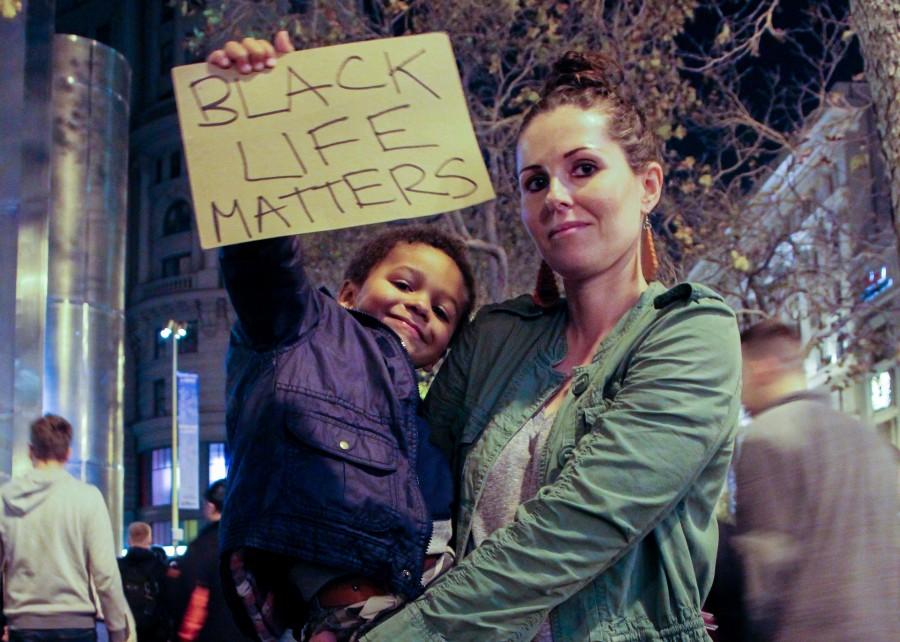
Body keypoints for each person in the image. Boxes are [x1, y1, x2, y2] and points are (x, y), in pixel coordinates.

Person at [211, 35, 741, 641]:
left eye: (584, 169)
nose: (557, 198)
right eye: (535, 182)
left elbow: (581, 525)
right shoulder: (496, 337)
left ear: (648, 185)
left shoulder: (690, 330)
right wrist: (255, 123)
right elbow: (400, 477)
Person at [218, 222, 474, 641]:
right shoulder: (301, 331)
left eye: (443, 311)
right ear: (349, 294)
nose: (421, 306)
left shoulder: (428, 414)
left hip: (432, 609)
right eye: (405, 284)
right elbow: (260, 263)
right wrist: (262, 197)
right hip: (348, 615)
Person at [733, 320, 898, 642]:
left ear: (762, 368)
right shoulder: (867, 438)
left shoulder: (767, 435)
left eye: (739, 377)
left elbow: (766, 571)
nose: (738, 391)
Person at [0, 414, 132, 642]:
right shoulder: (88, 498)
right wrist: (117, 630)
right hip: (76, 626)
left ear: (31, 451)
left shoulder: (5, 499)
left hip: (22, 626)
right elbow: (106, 574)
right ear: (68, 454)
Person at [173, 480, 248, 641]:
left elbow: (195, 597)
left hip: (213, 633)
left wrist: (184, 636)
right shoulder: (249, 542)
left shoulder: (202, 546)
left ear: (211, 507)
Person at [118, 522, 171, 642]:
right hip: (154, 630)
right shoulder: (160, 567)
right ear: (149, 539)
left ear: (129, 540)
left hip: (126, 627)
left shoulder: (118, 567)